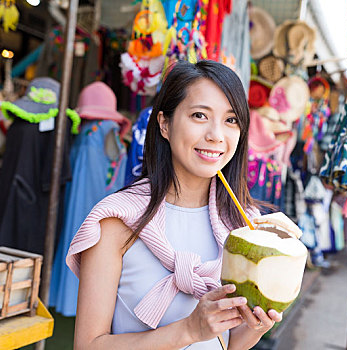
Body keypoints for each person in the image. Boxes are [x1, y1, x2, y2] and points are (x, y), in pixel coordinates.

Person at [66, 60, 282, 350]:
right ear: (164, 124)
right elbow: (88, 346)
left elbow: (226, 345)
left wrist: (256, 328)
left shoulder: (245, 226)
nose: (216, 135)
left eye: (231, 120)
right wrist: (189, 330)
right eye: (199, 115)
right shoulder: (116, 220)